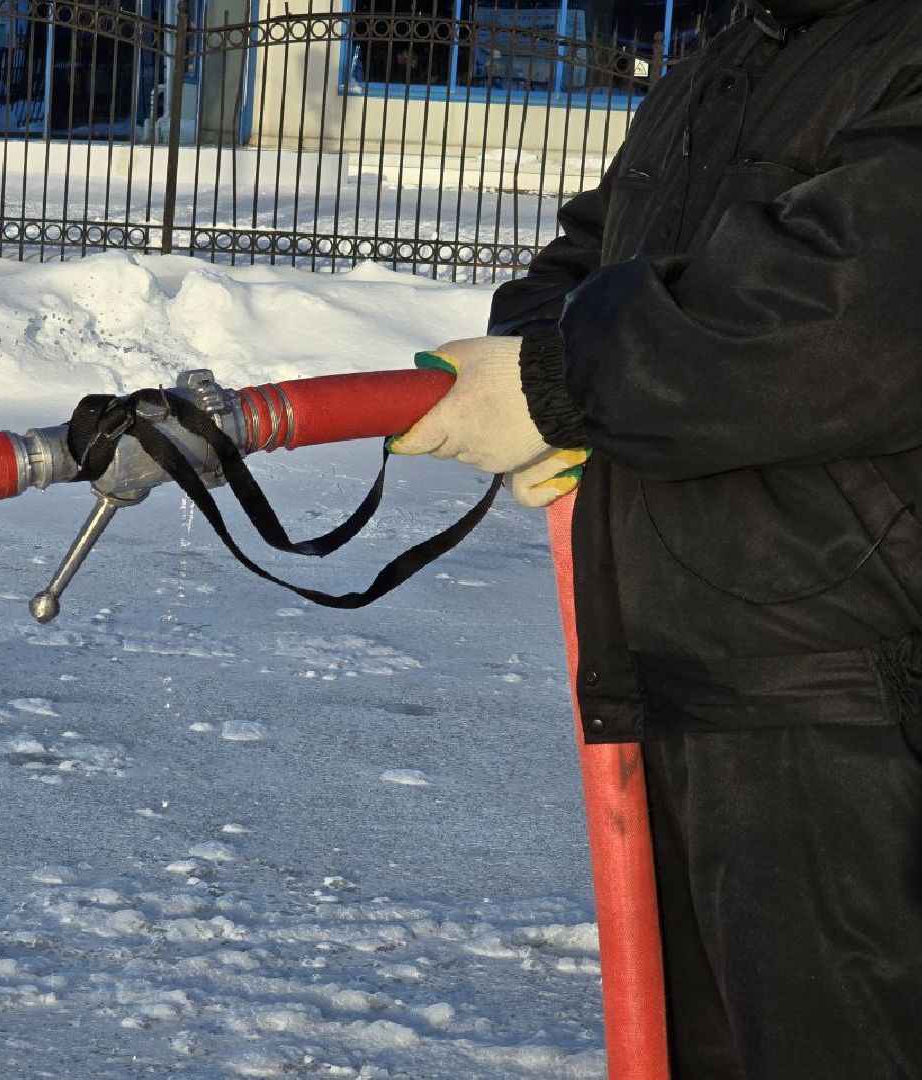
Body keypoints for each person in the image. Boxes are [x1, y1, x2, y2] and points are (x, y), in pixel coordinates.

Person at [390, 0, 922, 1075]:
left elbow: (847, 320)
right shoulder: (741, 50)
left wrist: (562, 383)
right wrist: (547, 371)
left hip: (852, 694)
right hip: (678, 665)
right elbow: (588, 258)